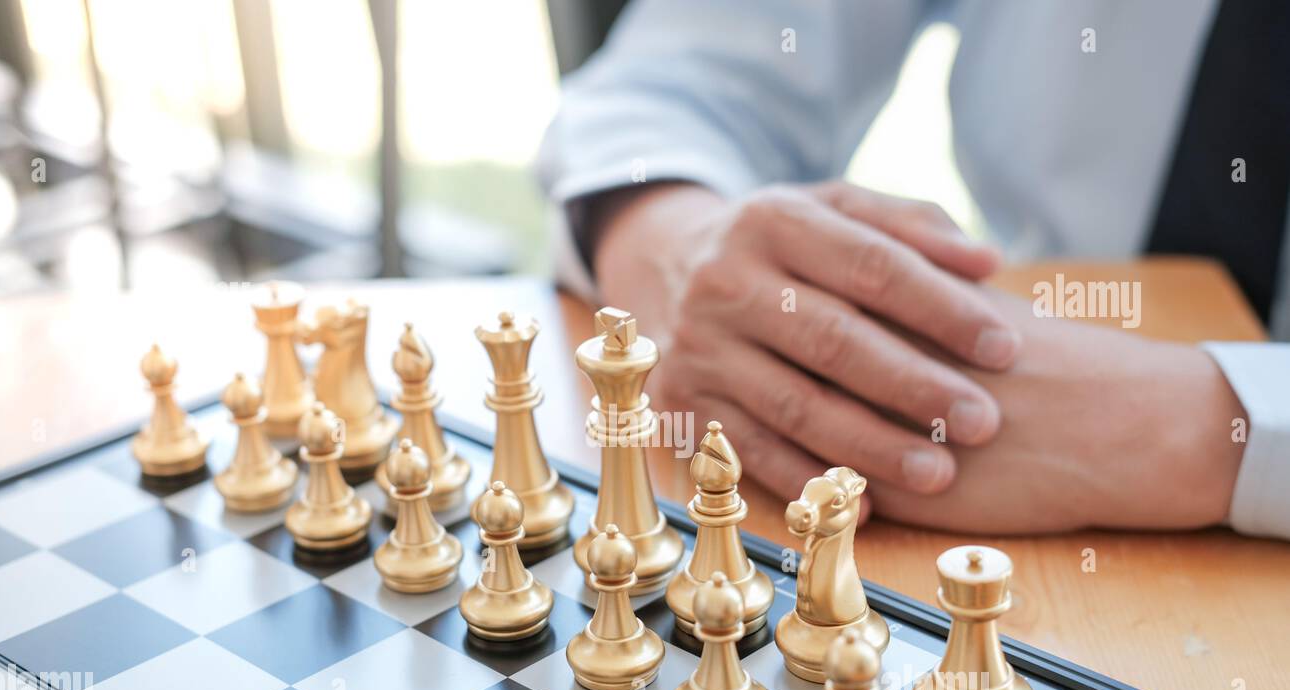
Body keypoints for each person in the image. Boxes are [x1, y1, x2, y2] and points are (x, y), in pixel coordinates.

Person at [536, 0, 1290, 539]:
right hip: (980, 415)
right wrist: (686, 250)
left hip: (1015, 446)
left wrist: (1188, 431)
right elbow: (671, 83)